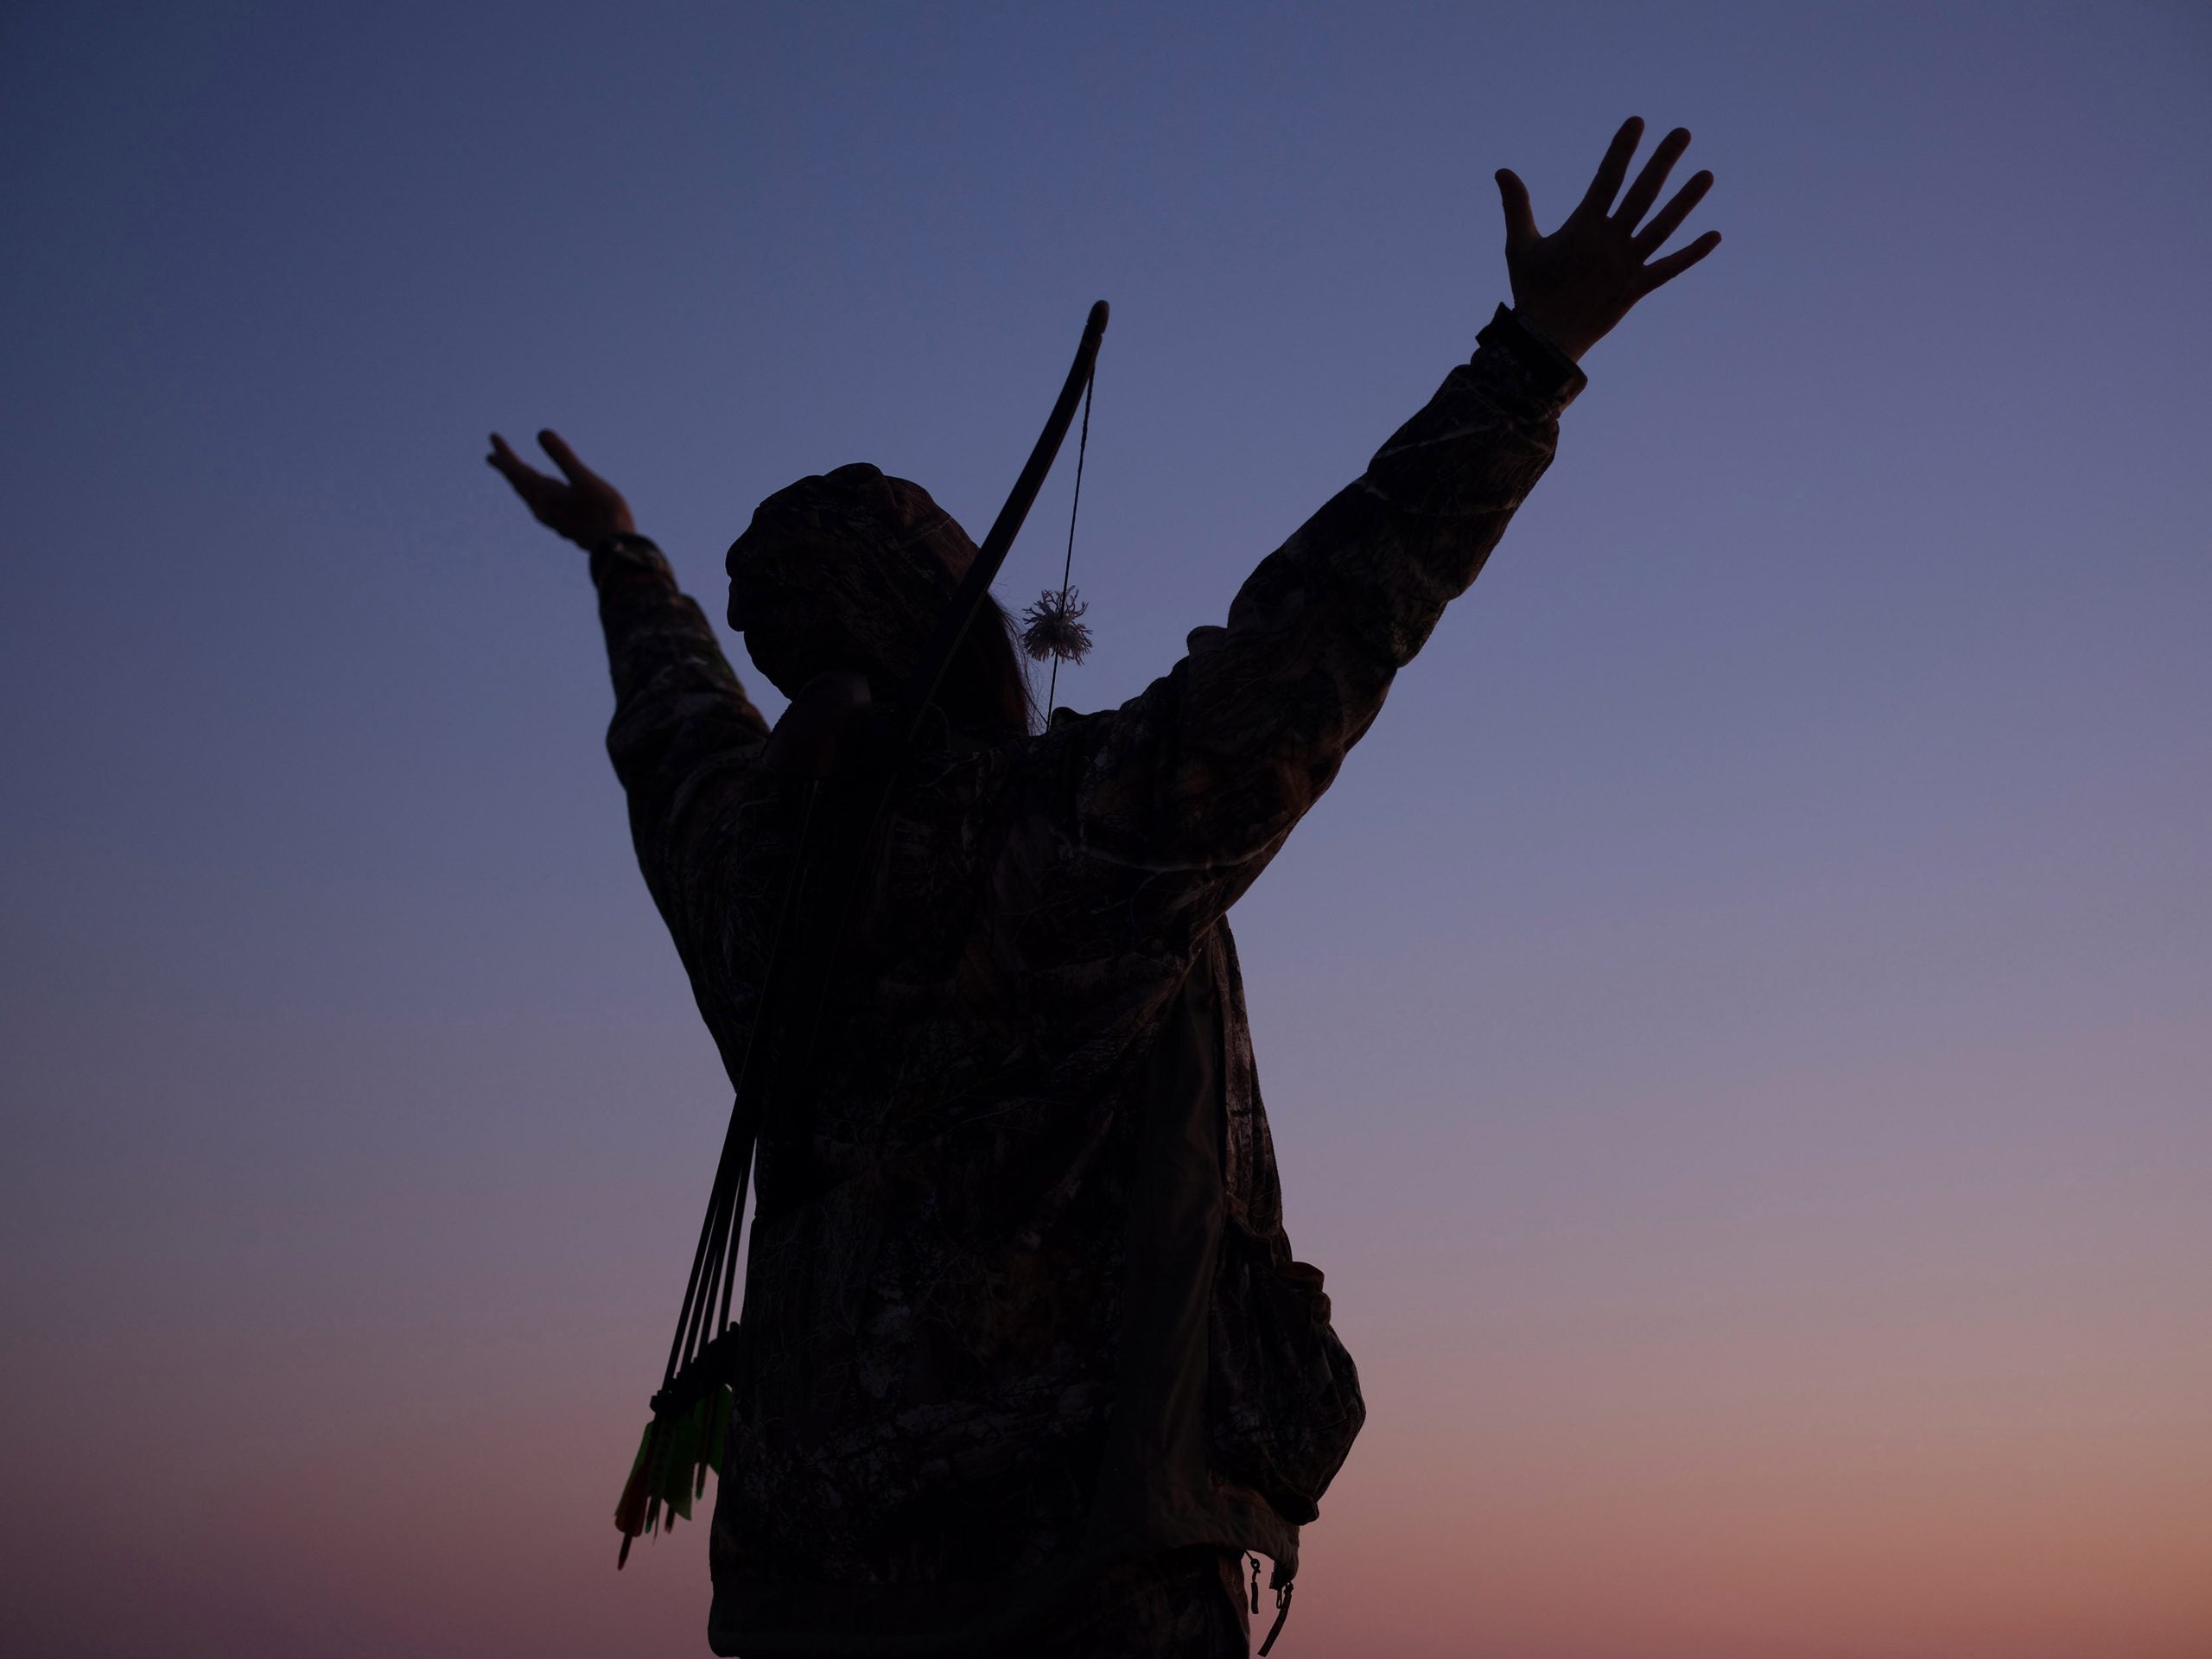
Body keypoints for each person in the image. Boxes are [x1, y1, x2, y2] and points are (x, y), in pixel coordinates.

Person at [490, 118, 1719, 1659]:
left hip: (810, 1601)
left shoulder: (747, 874)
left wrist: (621, 560)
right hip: (1086, 1592)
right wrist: (1532, 357)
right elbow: (1315, 639)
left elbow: (678, 734)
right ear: (950, 627)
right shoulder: (1059, 845)